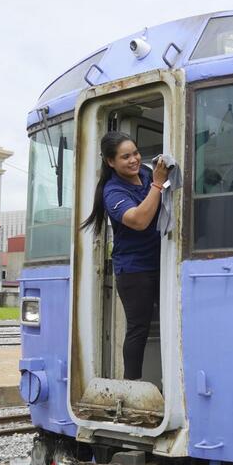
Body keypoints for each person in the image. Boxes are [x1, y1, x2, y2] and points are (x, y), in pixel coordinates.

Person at [81, 131, 169, 380]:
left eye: (136, 153)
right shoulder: (113, 192)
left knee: (173, 322)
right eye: (125, 157)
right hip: (134, 270)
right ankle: (133, 385)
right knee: (138, 329)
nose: (134, 160)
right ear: (111, 162)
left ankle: (171, 383)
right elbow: (139, 220)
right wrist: (158, 184)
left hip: (162, 262)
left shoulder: (145, 174)